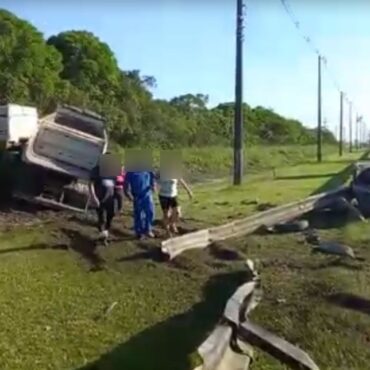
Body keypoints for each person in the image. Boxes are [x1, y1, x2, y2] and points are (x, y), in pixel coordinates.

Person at [89, 164, 117, 245]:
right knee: (102, 218)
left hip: (110, 198)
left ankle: (106, 231)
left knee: (111, 214)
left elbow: (114, 184)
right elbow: (91, 184)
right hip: (99, 198)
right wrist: (93, 197)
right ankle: (103, 236)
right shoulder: (97, 170)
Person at [124, 170, 156, 239]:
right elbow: (126, 183)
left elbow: (153, 177)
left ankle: (148, 229)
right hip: (137, 196)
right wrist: (128, 194)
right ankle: (139, 232)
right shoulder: (131, 171)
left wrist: (153, 185)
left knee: (150, 212)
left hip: (147, 194)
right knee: (139, 214)